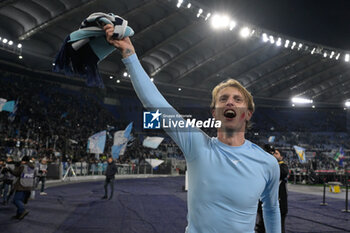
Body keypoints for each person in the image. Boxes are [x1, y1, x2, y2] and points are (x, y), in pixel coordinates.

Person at [104, 24, 281, 233]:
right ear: (214, 113)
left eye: (237, 99)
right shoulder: (197, 145)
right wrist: (129, 54)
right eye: (223, 99)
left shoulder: (268, 163)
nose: (230, 102)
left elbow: (271, 209)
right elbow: (155, 104)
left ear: (248, 113)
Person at [256, 148, 289, 233]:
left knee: (278, 228)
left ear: (281, 157)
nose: (273, 155)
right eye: (273, 153)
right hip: (263, 203)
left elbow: (282, 173)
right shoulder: (264, 165)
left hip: (279, 204)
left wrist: (272, 163)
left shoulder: (283, 166)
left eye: (276, 153)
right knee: (261, 227)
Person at [8, 155, 35, 220]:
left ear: (24, 161)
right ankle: (19, 215)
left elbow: (16, 173)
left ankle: (23, 210)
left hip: (21, 186)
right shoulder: (32, 167)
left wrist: (13, 168)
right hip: (29, 186)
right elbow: (34, 176)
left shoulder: (23, 167)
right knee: (21, 201)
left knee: (16, 200)